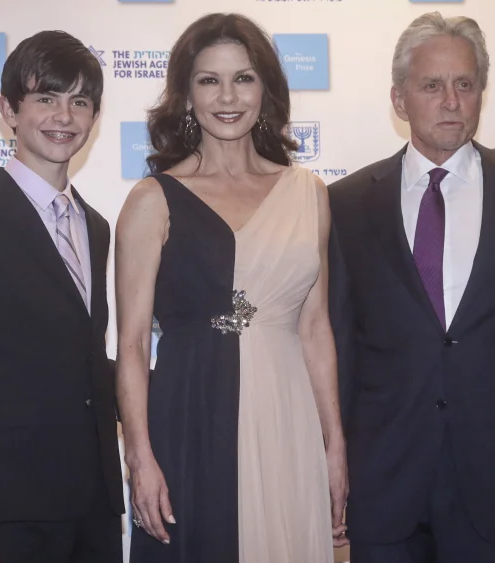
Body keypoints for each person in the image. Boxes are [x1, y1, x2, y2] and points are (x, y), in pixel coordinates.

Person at [328, 12, 495, 563]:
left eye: (465, 83)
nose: (451, 101)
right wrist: (333, 456)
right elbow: (339, 340)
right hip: (385, 475)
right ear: (399, 99)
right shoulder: (346, 204)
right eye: (432, 86)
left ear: (482, 92)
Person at [113, 12, 348, 563]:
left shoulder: (308, 193)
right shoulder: (152, 200)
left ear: (265, 89)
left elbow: (316, 329)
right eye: (208, 80)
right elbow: (131, 345)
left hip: (288, 417)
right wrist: (139, 458)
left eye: (243, 78)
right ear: (186, 94)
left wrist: (334, 442)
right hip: (191, 414)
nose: (227, 96)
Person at [0, 30, 123, 563]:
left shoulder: (96, 226)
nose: (64, 116)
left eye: (80, 101)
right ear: (9, 110)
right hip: (8, 510)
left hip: (96, 506)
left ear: (94, 116)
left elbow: (79, 360)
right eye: (45, 98)